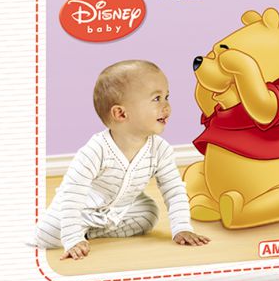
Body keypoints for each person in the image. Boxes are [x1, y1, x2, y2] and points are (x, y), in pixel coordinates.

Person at [34, 60, 210, 260]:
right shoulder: (96, 150)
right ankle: (80, 230)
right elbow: (72, 193)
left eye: (166, 97)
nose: (166, 106)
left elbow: (174, 190)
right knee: (46, 235)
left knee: (148, 213)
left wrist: (182, 227)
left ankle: (92, 232)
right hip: (81, 208)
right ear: (121, 113)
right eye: (156, 99)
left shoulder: (160, 149)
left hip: (119, 209)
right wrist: (72, 238)